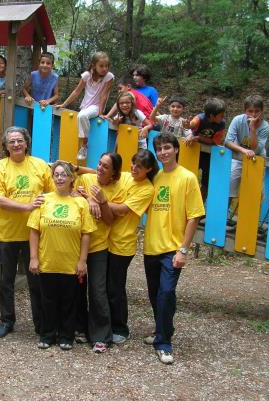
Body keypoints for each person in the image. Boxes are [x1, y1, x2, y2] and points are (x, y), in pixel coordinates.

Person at [143, 133, 204, 364]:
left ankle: (164, 342)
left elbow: (194, 216)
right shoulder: (155, 177)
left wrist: (183, 250)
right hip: (151, 247)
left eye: (167, 148)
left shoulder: (187, 178)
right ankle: (162, 328)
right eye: (159, 149)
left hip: (172, 249)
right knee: (155, 294)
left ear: (176, 149)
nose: (162, 153)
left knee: (166, 292)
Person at [0, 127, 54, 338]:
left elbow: (53, 192)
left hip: (33, 233)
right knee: (6, 281)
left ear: (26, 143)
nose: (16, 145)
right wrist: (26, 206)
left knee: (36, 280)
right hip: (6, 233)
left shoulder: (39, 165)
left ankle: (41, 322)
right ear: (5, 146)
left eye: (19, 141)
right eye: (11, 142)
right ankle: (7, 320)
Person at [28, 161, 96, 350]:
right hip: (47, 260)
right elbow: (34, 230)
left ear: (71, 178)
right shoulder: (43, 199)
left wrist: (83, 261)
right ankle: (48, 334)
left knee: (69, 301)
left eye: (64, 174)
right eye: (56, 174)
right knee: (47, 300)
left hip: (70, 263)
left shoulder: (81, 203)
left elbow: (86, 234)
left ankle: (67, 335)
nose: (59, 178)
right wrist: (33, 257)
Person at [75, 153, 125, 353]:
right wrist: (89, 199)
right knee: (77, 288)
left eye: (106, 166)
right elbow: (71, 195)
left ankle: (101, 335)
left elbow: (110, 220)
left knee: (97, 290)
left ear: (113, 172)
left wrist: (102, 201)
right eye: (99, 163)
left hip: (99, 246)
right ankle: (79, 328)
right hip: (77, 245)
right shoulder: (86, 179)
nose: (100, 168)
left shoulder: (116, 189)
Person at [106, 149, 157, 345]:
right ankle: (105, 324)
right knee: (103, 286)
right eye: (133, 163)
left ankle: (120, 327)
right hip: (106, 241)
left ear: (148, 169)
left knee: (115, 287)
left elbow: (123, 209)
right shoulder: (126, 176)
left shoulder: (146, 189)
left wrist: (99, 201)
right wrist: (77, 168)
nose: (134, 168)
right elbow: (101, 173)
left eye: (140, 166)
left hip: (123, 245)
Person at [55, 51, 114, 161]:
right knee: (82, 115)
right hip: (85, 106)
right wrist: (64, 104)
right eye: (101, 66)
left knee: (82, 116)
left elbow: (104, 95)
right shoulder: (87, 75)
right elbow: (76, 92)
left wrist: (101, 112)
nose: (104, 68)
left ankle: (84, 145)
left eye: (106, 66)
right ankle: (83, 143)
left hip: (96, 106)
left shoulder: (109, 77)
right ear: (93, 65)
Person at [224, 95, 269, 221]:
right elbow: (227, 142)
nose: (253, 114)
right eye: (250, 111)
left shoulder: (265, 126)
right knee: (230, 185)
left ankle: (250, 222)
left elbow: (256, 149)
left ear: (262, 111)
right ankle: (225, 216)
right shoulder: (238, 120)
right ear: (245, 111)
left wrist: (253, 129)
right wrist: (244, 150)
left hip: (257, 160)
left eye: (257, 111)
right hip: (238, 157)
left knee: (255, 192)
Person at [185, 98, 226, 197]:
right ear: (212, 115)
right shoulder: (200, 118)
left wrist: (199, 137)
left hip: (209, 155)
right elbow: (192, 124)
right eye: (221, 115)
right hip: (194, 151)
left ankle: (201, 203)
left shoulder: (221, 125)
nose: (223, 117)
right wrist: (189, 125)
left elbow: (215, 141)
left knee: (206, 182)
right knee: (188, 176)